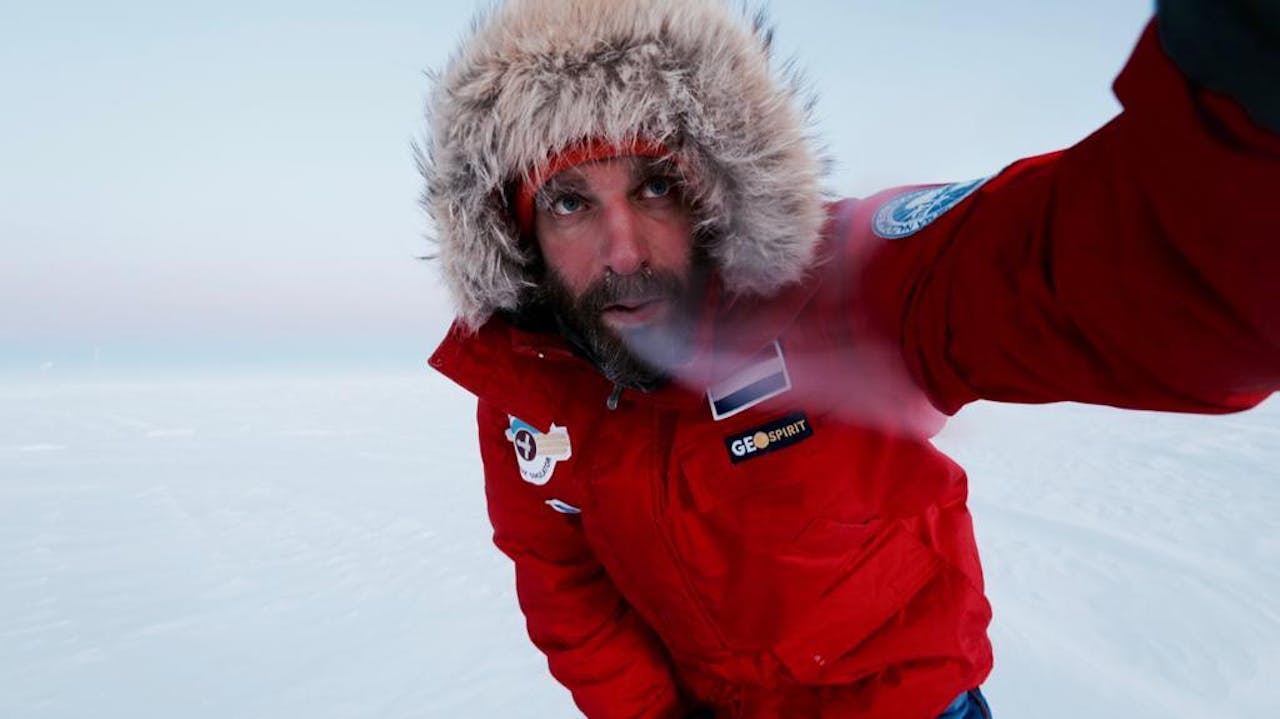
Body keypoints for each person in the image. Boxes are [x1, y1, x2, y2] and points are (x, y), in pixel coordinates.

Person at [421, 1, 1279, 717]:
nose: (621, 250)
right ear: (517, 235)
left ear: (717, 187)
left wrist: (1243, 86)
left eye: (655, 186)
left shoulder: (843, 281)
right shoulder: (532, 385)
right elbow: (566, 586)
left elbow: (1111, 274)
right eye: (570, 200)